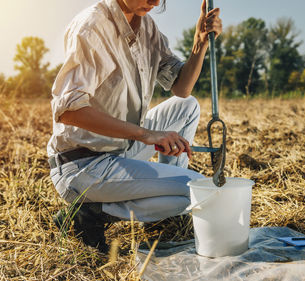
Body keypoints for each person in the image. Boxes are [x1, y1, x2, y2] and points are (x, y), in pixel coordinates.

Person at [47, 0, 222, 252]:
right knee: (197, 190)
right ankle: (90, 213)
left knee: (187, 106)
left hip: (120, 148)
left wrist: (200, 41)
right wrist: (146, 134)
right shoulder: (92, 27)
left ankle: (162, 214)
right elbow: (68, 111)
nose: (155, 2)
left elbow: (181, 87)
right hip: (82, 164)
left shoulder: (146, 27)